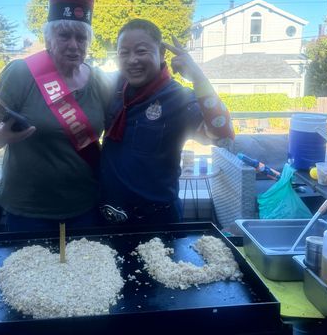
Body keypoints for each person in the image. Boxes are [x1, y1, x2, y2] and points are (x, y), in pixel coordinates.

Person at [0, 0, 110, 232]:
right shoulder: (21, 73)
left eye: (81, 37)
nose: (74, 45)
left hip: (83, 206)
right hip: (28, 210)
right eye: (64, 35)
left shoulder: (98, 81)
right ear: (49, 38)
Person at [100, 18, 235, 225]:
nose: (132, 60)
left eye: (141, 51)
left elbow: (224, 137)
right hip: (107, 215)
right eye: (124, 53)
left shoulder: (179, 98)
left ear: (162, 53)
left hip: (156, 221)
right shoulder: (114, 88)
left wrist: (199, 78)